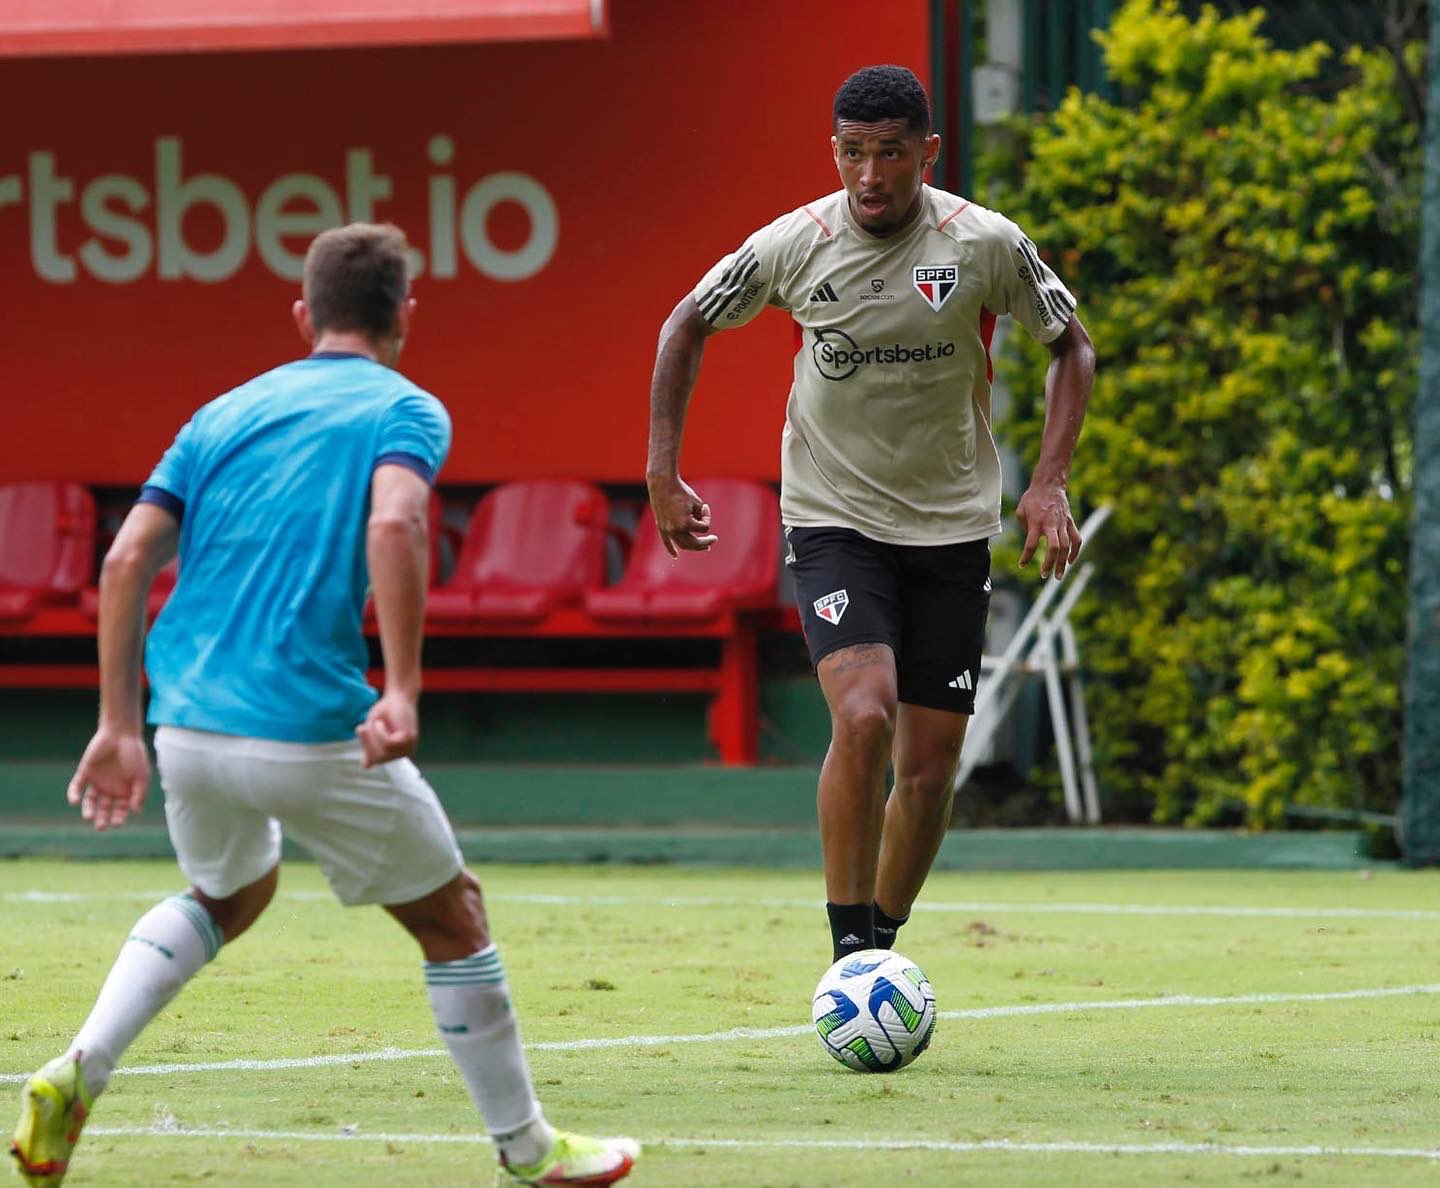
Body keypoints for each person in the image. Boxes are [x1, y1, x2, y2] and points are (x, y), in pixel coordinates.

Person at [10, 223, 638, 1188]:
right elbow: (395, 519)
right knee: (454, 918)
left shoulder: (220, 412)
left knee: (230, 891)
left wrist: (117, 726)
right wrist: (402, 687)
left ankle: (76, 1071)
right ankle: (528, 1148)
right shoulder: (406, 408)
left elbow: (127, 557)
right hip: (306, 728)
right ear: (406, 318)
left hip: (185, 727)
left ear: (304, 317)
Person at [646, 65, 1095, 964]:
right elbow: (684, 326)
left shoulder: (984, 244)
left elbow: (1071, 348)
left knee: (928, 775)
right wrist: (663, 471)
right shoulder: (795, 244)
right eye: (853, 152)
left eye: (891, 153)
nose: (870, 174)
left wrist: (1048, 481)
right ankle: (851, 954)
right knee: (863, 716)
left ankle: (882, 942)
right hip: (832, 518)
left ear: (926, 152)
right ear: (835, 151)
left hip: (952, 528)